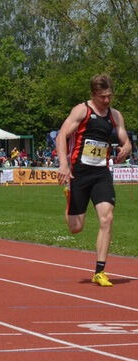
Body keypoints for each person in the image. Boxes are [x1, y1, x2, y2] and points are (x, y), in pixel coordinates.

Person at [57, 74, 132, 287]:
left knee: (107, 218)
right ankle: (69, 197)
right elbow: (62, 135)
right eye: (102, 97)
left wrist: (127, 147)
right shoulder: (82, 111)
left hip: (101, 173)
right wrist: (63, 164)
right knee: (76, 227)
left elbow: (124, 139)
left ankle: (100, 271)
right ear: (93, 94)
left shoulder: (115, 115)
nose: (106, 101)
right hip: (79, 173)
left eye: (109, 96)